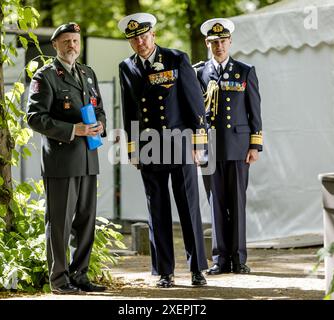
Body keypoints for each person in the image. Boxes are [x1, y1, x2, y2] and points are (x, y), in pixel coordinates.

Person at [117, 13, 208, 288]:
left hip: (179, 143)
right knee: (157, 211)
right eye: (134, 38)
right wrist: (132, 148)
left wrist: (199, 143)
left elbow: (195, 105)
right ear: (130, 42)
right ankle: (164, 271)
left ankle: (196, 270)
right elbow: (129, 109)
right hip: (148, 147)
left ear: (153, 35)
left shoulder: (176, 59)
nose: (140, 42)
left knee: (188, 208)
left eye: (144, 36)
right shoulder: (126, 67)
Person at [27, 22, 107, 294]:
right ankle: (59, 281)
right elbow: (35, 118)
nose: (72, 45)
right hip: (61, 161)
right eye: (66, 41)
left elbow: (100, 110)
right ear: (55, 45)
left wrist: (100, 125)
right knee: (60, 223)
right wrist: (74, 129)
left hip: (88, 158)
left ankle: (80, 276)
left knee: (86, 221)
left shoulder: (88, 73)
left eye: (75, 40)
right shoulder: (45, 75)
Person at [194, 18, 263, 275]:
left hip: (238, 147)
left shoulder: (245, 71)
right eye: (214, 42)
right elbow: (195, 114)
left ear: (230, 42)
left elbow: (254, 111)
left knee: (237, 203)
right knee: (215, 203)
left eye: (222, 41)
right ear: (207, 43)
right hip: (209, 148)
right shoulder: (199, 72)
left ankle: (238, 258)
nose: (219, 46)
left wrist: (255, 145)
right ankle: (219, 259)